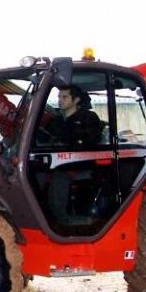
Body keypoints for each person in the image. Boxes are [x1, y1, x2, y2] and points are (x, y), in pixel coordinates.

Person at [43, 85, 103, 226]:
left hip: (82, 164)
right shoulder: (56, 121)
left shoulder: (88, 118)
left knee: (60, 176)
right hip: (58, 162)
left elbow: (88, 141)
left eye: (64, 97)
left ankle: (63, 219)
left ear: (76, 100)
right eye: (59, 97)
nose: (60, 100)